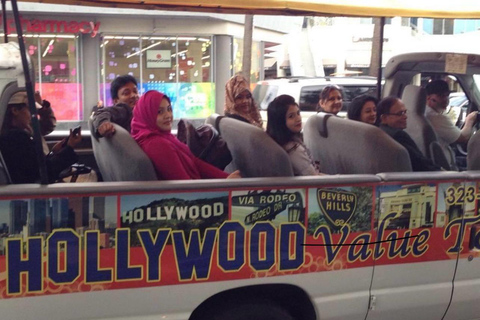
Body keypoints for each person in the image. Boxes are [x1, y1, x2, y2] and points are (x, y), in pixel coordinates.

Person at [131, 90, 241, 180]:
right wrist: (225, 185)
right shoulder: (156, 144)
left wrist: (226, 179)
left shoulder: (163, 137)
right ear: (147, 115)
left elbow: (194, 162)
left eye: (169, 109)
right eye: (159, 112)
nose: (168, 115)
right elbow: (185, 186)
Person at [0, 92, 81, 183]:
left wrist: (53, 153)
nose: (32, 115)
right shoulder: (16, 138)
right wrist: (69, 148)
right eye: (29, 110)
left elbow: (36, 165)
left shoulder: (16, 133)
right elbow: (44, 172)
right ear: (15, 110)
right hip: (34, 190)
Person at [377, 96, 442, 172]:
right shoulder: (398, 136)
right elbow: (421, 164)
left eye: (405, 112)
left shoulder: (379, 132)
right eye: (400, 113)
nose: (405, 117)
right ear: (384, 118)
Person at [425, 79, 478, 166]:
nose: (446, 100)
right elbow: (462, 138)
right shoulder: (436, 117)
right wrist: (470, 120)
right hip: (446, 166)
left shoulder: (424, 113)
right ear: (429, 98)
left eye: (447, 96)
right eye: (441, 96)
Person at [266, 94, 321, 176]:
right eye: (291, 116)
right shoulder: (294, 149)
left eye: (298, 113)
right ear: (280, 122)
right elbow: (313, 178)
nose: (298, 118)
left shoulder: (276, 141)